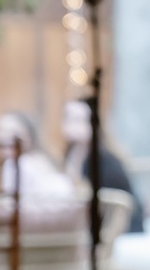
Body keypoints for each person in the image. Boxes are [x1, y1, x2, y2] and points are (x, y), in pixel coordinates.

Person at [61, 99, 145, 234]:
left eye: (78, 119)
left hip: (121, 227)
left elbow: (115, 205)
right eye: (68, 118)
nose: (71, 125)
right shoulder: (72, 155)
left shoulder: (103, 161)